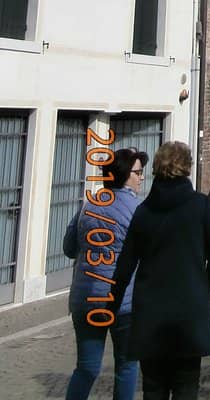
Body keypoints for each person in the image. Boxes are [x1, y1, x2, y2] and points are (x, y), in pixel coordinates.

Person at [112, 140, 210, 400]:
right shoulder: (200, 206)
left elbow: (125, 266)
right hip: (189, 311)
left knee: (153, 389)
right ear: (186, 168)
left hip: (151, 313)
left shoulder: (143, 212)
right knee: (186, 388)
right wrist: (204, 289)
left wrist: (112, 305)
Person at [63, 146, 147, 400]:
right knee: (126, 365)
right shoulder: (136, 210)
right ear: (124, 175)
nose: (141, 178)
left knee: (86, 368)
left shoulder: (88, 207)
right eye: (138, 172)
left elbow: (68, 248)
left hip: (86, 298)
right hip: (122, 301)